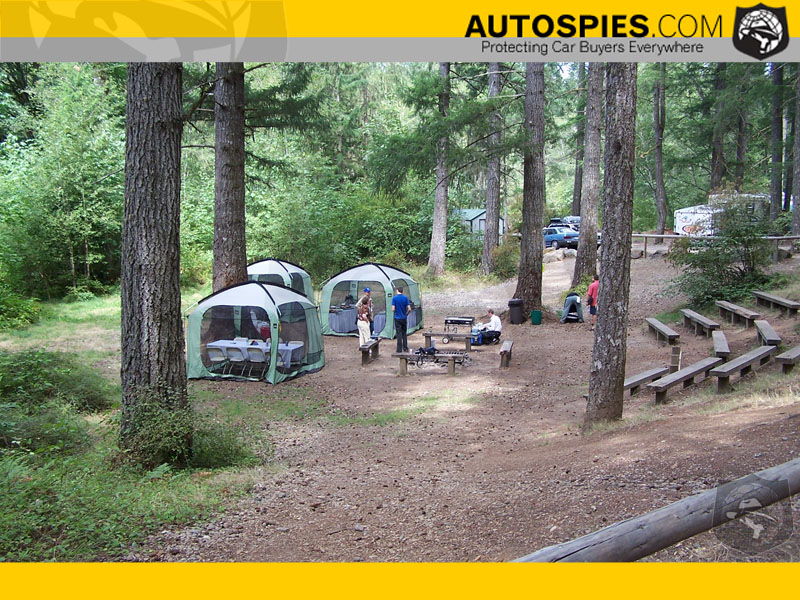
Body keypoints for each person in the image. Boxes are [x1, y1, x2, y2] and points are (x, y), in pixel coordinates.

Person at [391, 286, 411, 353]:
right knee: (404, 333)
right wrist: (406, 314)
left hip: (397, 318)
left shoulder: (394, 298)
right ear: (402, 291)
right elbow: (409, 309)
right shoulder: (405, 298)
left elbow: (393, 309)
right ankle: (405, 348)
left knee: (399, 333)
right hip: (404, 318)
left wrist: (396, 311)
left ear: (397, 291)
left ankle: (399, 349)